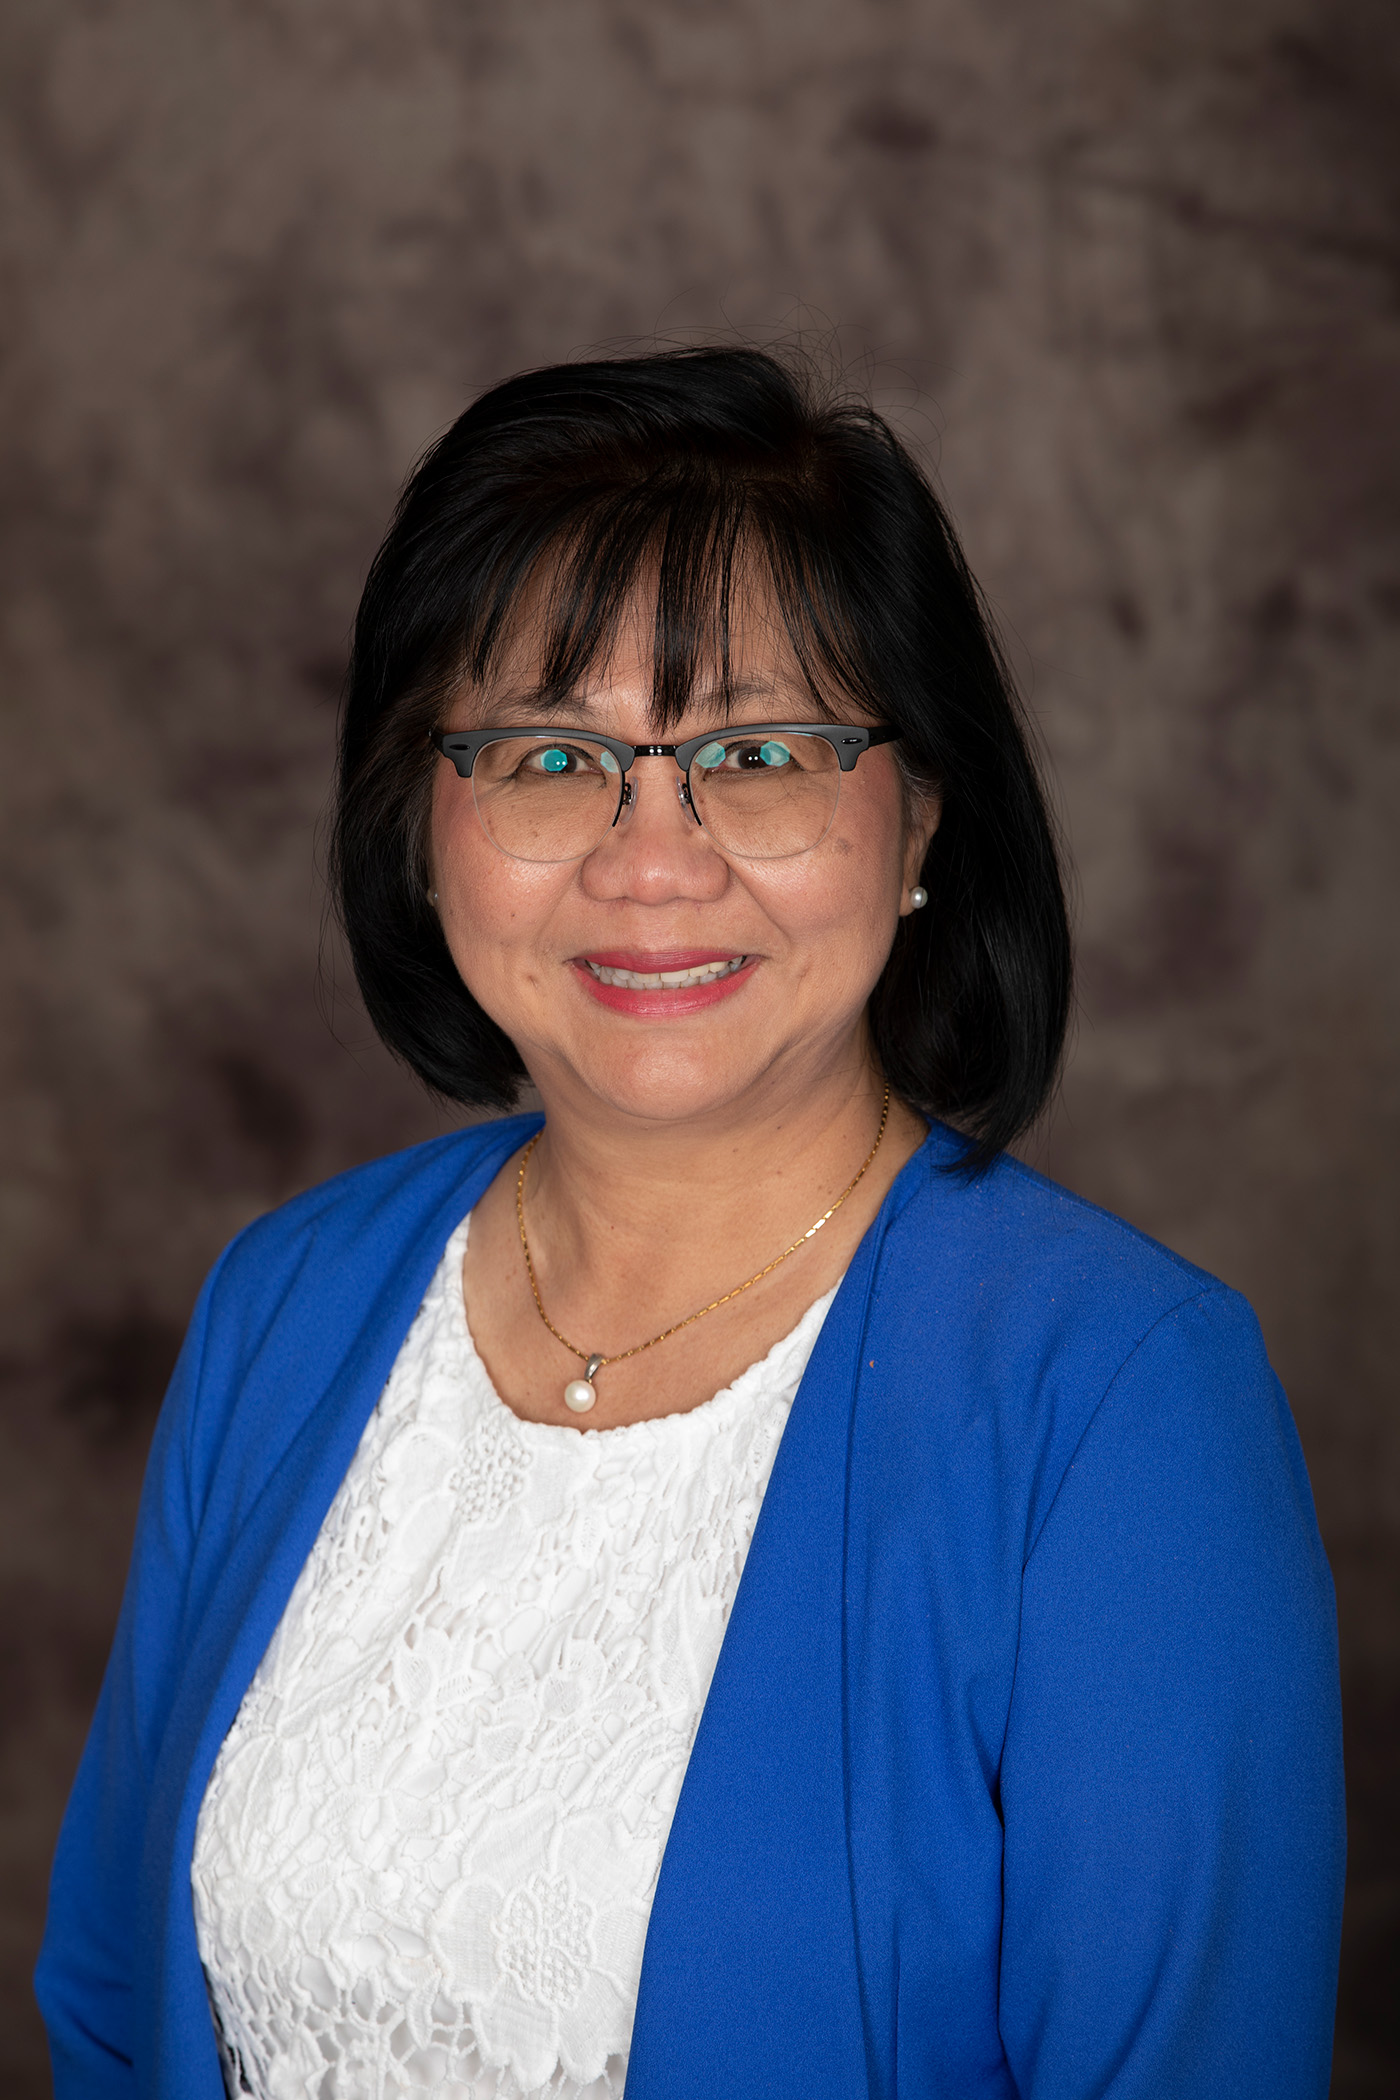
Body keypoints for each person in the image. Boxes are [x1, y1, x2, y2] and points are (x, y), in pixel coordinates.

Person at [36, 347, 1344, 2100]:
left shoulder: (1118, 1409)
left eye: (759, 749)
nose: (655, 860)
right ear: (425, 825)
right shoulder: (287, 1305)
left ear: (921, 818)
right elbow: (116, 2012)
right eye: (553, 756)